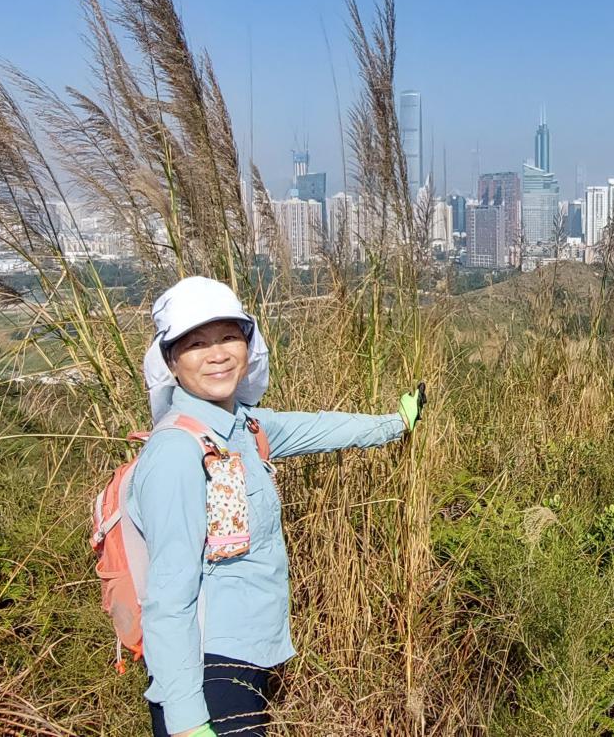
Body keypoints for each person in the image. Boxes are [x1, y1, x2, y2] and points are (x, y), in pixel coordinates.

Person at [130, 276, 425, 737]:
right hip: (206, 670)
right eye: (196, 344)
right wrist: (187, 721)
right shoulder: (176, 450)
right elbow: (168, 595)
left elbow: (321, 428)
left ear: (248, 346)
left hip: (247, 659)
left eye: (229, 337)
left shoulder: (245, 428)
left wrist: (397, 422)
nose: (217, 354)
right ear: (171, 360)